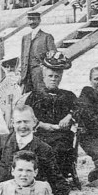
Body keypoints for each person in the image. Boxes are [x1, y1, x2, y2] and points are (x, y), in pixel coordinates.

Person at [25, 51, 78, 180]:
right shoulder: (35, 96)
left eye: (57, 76)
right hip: (41, 133)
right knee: (38, 147)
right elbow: (27, 115)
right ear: (44, 76)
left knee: (60, 148)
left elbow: (80, 109)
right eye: (50, 76)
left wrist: (69, 116)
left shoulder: (68, 95)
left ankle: (56, 178)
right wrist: (42, 124)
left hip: (61, 135)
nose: (54, 79)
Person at [19, 12, 56, 94]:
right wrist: (21, 74)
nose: (31, 22)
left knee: (42, 96)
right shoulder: (25, 38)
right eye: (29, 19)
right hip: (26, 75)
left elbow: (53, 56)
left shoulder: (46, 37)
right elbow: (23, 57)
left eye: (34, 19)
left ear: (39, 20)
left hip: (40, 75)